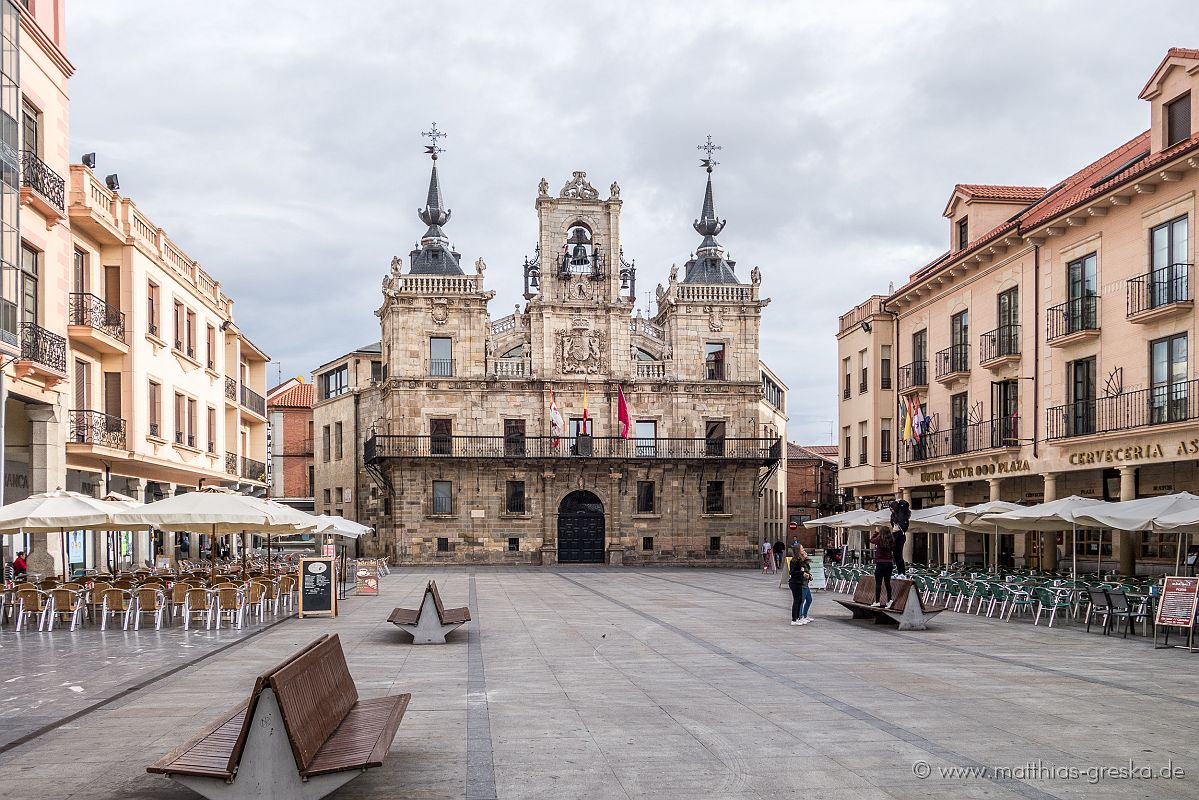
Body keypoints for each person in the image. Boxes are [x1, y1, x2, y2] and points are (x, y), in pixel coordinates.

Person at [869, 527, 895, 608]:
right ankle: (889, 600)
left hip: (880, 563)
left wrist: (876, 533)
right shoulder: (892, 540)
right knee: (887, 582)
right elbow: (894, 548)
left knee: (878, 583)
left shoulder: (879, 539)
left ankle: (877, 601)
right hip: (889, 563)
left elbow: (871, 540)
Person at [789, 545, 813, 625]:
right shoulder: (794, 561)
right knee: (797, 601)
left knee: (799, 601)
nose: (803, 550)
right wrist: (802, 573)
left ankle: (799, 618)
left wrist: (806, 574)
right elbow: (792, 572)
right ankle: (794, 619)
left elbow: (804, 570)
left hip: (799, 582)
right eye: (802, 548)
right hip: (795, 583)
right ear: (798, 550)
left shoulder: (800, 560)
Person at [889, 499, 911, 577]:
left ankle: (901, 573)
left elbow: (906, 504)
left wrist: (900, 501)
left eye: (892, 508)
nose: (891, 510)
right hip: (895, 534)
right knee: (896, 555)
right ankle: (899, 572)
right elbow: (892, 523)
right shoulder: (893, 515)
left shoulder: (902, 512)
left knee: (899, 555)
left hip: (900, 534)